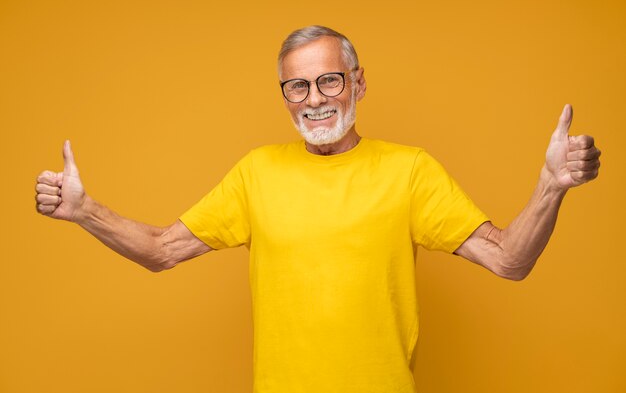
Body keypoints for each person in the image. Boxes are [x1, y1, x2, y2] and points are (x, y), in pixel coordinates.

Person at [35, 26, 601, 393]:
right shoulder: (257, 172)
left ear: (357, 83)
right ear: (284, 94)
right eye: (296, 87)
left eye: (328, 80)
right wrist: (87, 212)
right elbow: (161, 251)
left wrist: (551, 187)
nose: (314, 99)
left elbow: (509, 261)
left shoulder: (409, 170)